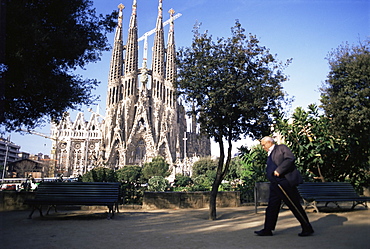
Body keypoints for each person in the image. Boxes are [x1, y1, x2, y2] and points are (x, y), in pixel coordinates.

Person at [254, 136, 314, 237]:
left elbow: (290, 159)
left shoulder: (281, 148)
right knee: (272, 207)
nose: (263, 147)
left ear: (269, 142)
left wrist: (279, 170)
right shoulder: (270, 153)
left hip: (284, 183)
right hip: (275, 184)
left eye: (263, 145)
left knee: (294, 205)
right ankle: (267, 229)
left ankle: (307, 227)